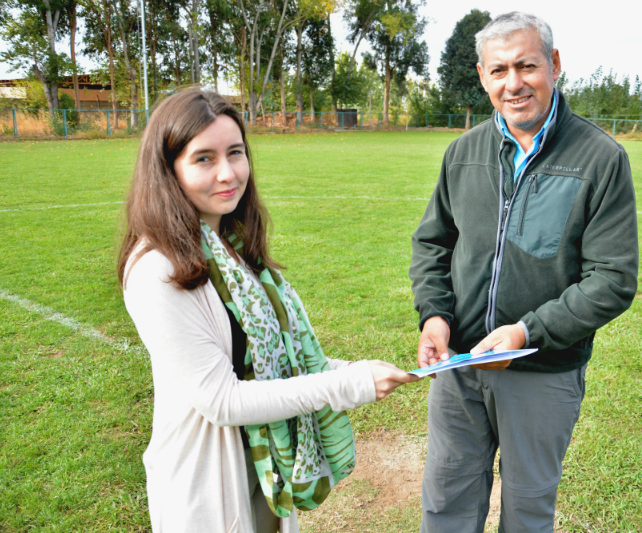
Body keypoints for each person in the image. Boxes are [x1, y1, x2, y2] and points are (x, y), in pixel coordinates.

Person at [118, 89, 419, 533]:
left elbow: (271, 363)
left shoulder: (232, 249)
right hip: (209, 482)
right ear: (168, 171)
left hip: (265, 466)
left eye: (235, 153)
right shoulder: (156, 269)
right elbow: (222, 399)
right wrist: (344, 384)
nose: (228, 173)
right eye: (203, 158)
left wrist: (354, 370)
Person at [409, 12, 639, 533]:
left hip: (542, 373)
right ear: (482, 75)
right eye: (498, 71)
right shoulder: (463, 153)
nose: (513, 83)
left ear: (553, 65)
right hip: (458, 368)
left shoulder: (600, 158)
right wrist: (435, 317)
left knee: (528, 511)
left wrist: (525, 333)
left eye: (526, 66)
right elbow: (432, 243)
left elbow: (613, 279)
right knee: (446, 501)